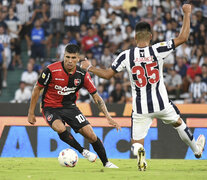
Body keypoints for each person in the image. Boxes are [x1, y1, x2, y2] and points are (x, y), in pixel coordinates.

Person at [80, 4, 206, 171]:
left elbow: (108, 74)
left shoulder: (126, 55)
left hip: (140, 109)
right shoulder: (158, 50)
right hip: (162, 104)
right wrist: (187, 13)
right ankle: (197, 151)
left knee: (136, 143)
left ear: (134, 37)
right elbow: (183, 37)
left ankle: (141, 154)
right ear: (151, 36)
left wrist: (89, 67)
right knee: (178, 123)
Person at [27, 44, 121, 168]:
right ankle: (83, 151)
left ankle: (106, 163)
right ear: (63, 56)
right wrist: (31, 112)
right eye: (67, 57)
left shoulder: (82, 74)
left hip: (70, 107)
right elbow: (37, 89)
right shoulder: (51, 70)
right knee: (59, 128)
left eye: (73, 58)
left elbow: (96, 96)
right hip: (50, 107)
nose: (69, 61)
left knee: (90, 135)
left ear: (78, 59)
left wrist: (108, 117)